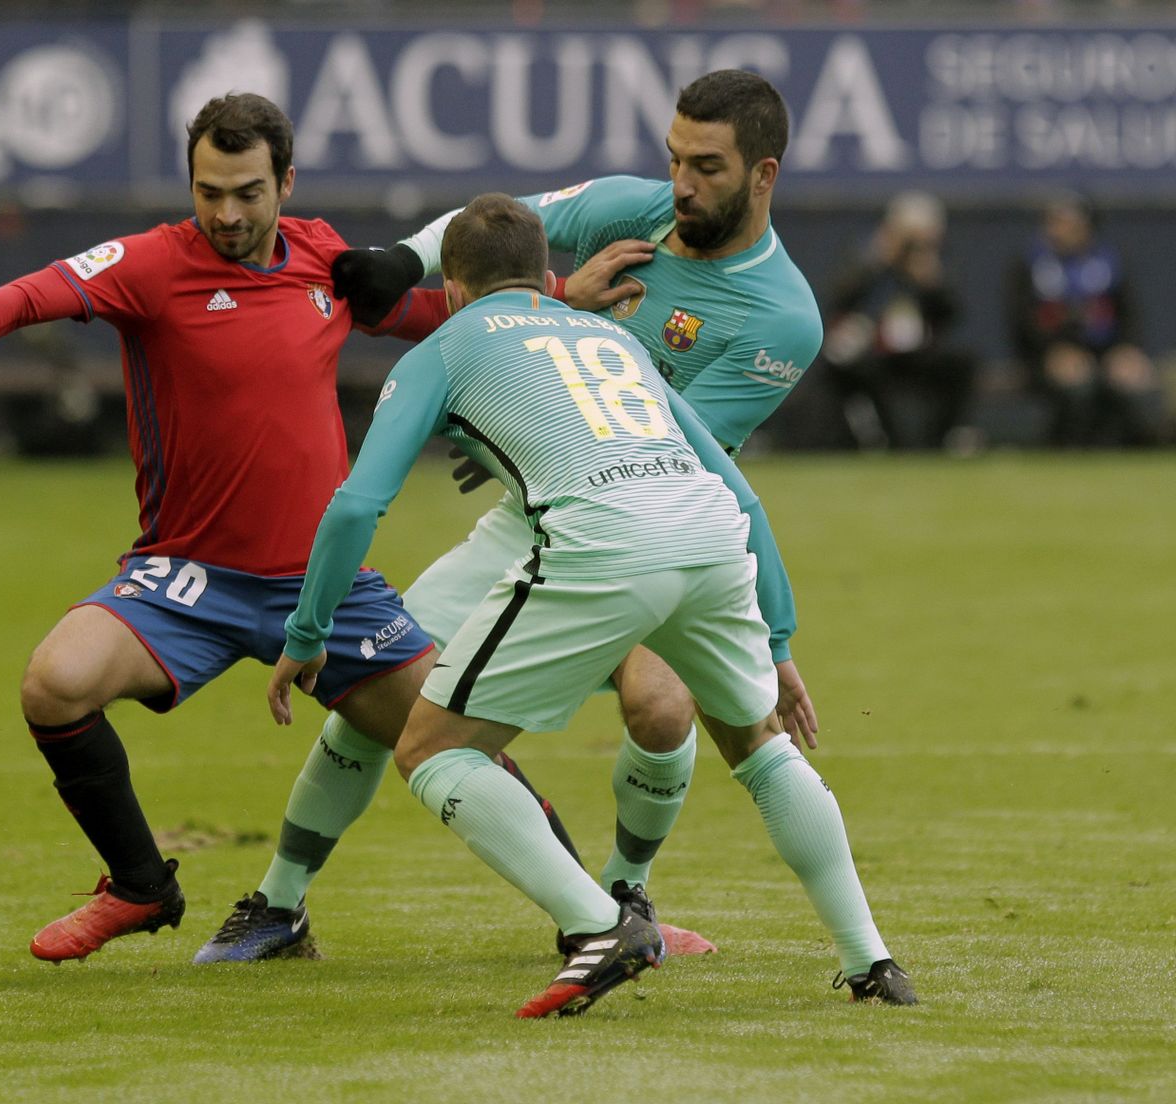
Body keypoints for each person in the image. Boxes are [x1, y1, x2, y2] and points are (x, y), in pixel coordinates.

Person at [199, 69, 909, 1005]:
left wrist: (503, 401)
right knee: (381, 688)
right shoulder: (631, 213)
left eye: (705, 167)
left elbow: (370, 497)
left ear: (762, 173)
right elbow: (501, 221)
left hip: (609, 513)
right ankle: (281, 905)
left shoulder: (782, 316)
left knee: (606, 717)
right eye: (673, 159)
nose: (679, 185)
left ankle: (614, 906)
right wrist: (411, 267)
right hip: (641, 520)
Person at [0, 93, 574, 965]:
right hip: (186, 579)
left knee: (449, 741)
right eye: (209, 192)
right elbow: (27, 294)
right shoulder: (151, 264)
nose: (227, 214)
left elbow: (429, 315)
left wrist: (563, 297)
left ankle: (597, 909)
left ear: (286, 182)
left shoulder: (322, 255)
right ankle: (140, 886)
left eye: (246, 192)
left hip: (325, 584)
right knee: (55, 683)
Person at [814, 191, 978, 451]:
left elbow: (951, 314)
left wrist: (931, 282)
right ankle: (880, 439)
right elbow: (838, 299)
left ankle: (941, 438)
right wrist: (879, 260)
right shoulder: (870, 260)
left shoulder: (935, 264)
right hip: (876, 351)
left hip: (919, 350)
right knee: (848, 369)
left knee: (960, 364)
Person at [1007, 192, 1162, 448]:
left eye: (1067, 224)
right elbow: (1022, 322)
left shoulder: (1110, 262)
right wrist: (1051, 351)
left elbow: (1128, 313)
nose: (1058, 230)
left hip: (1106, 348)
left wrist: (1126, 349)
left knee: (1134, 378)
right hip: (1050, 353)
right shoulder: (1030, 264)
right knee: (1077, 380)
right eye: (1053, 222)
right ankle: (1068, 446)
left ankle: (1138, 445)